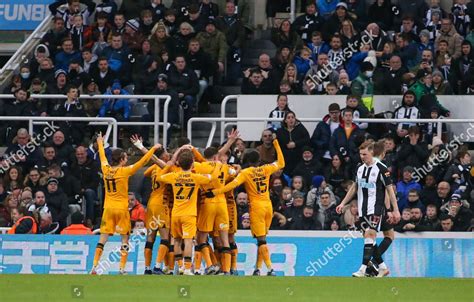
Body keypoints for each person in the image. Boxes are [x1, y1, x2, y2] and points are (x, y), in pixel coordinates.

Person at [207, 137, 284, 276]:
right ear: (258, 161)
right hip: (268, 206)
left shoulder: (246, 173)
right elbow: (281, 162)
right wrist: (277, 144)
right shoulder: (266, 169)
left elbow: (233, 185)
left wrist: (216, 192)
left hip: (257, 208)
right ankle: (258, 269)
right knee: (263, 239)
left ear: (247, 161)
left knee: (261, 240)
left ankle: (270, 269)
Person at [91, 132, 159, 275]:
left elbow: (102, 156)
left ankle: (95, 266)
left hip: (108, 208)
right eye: (126, 157)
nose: (127, 159)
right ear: (121, 159)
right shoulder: (125, 171)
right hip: (122, 209)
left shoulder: (106, 169)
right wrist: (153, 149)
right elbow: (143, 162)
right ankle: (121, 269)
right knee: (124, 239)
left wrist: (100, 143)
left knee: (103, 239)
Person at [336, 141, 400, 278]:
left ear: (372, 153)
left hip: (376, 208)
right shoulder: (360, 168)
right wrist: (342, 203)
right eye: (360, 154)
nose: (362, 157)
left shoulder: (382, 169)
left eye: (365, 154)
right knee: (369, 238)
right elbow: (354, 187)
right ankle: (382, 268)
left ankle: (363, 269)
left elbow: (390, 191)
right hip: (362, 209)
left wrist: (395, 210)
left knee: (370, 235)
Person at [160, 149, 212, 276]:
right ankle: (188, 268)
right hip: (189, 214)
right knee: (188, 240)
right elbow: (210, 178)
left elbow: (161, 177)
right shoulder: (196, 177)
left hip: (176, 213)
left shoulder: (174, 176)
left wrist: (173, 163)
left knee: (176, 240)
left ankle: (181, 266)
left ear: (178, 162)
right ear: (192, 163)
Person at [276, 111, 310, 176]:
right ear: (285, 120)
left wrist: (295, 144)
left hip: (298, 158)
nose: (291, 119)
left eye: (292, 117)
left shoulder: (300, 128)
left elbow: (307, 139)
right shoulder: (280, 131)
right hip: (285, 159)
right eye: (288, 118)